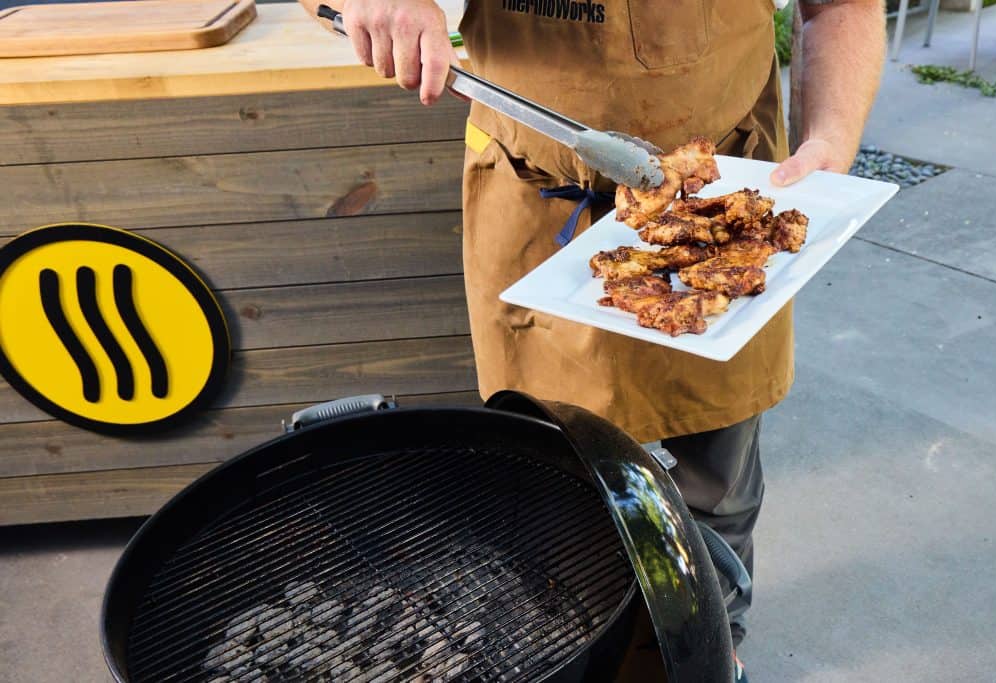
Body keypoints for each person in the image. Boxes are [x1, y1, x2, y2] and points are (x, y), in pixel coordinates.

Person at [300, 0, 886, 679]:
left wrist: (832, 145)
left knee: (714, 490)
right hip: (534, 200)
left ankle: (712, 653)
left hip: (727, 202)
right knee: (547, 489)